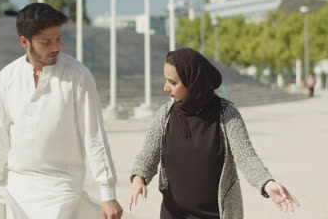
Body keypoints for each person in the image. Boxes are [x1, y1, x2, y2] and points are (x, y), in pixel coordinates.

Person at [0, 3, 123, 219]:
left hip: (62, 185)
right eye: (46, 41)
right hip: (16, 185)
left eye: (59, 38)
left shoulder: (78, 75)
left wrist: (108, 193)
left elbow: (94, 135)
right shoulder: (8, 76)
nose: (56, 46)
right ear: (25, 41)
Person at [127, 48, 300, 219]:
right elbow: (148, 154)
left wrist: (267, 183)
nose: (165, 88)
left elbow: (246, 156)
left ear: (192, 82)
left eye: (173, 82)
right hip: (173, 214)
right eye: (166, 80)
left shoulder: (226, 114)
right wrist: (138, 179)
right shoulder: (164, 115)